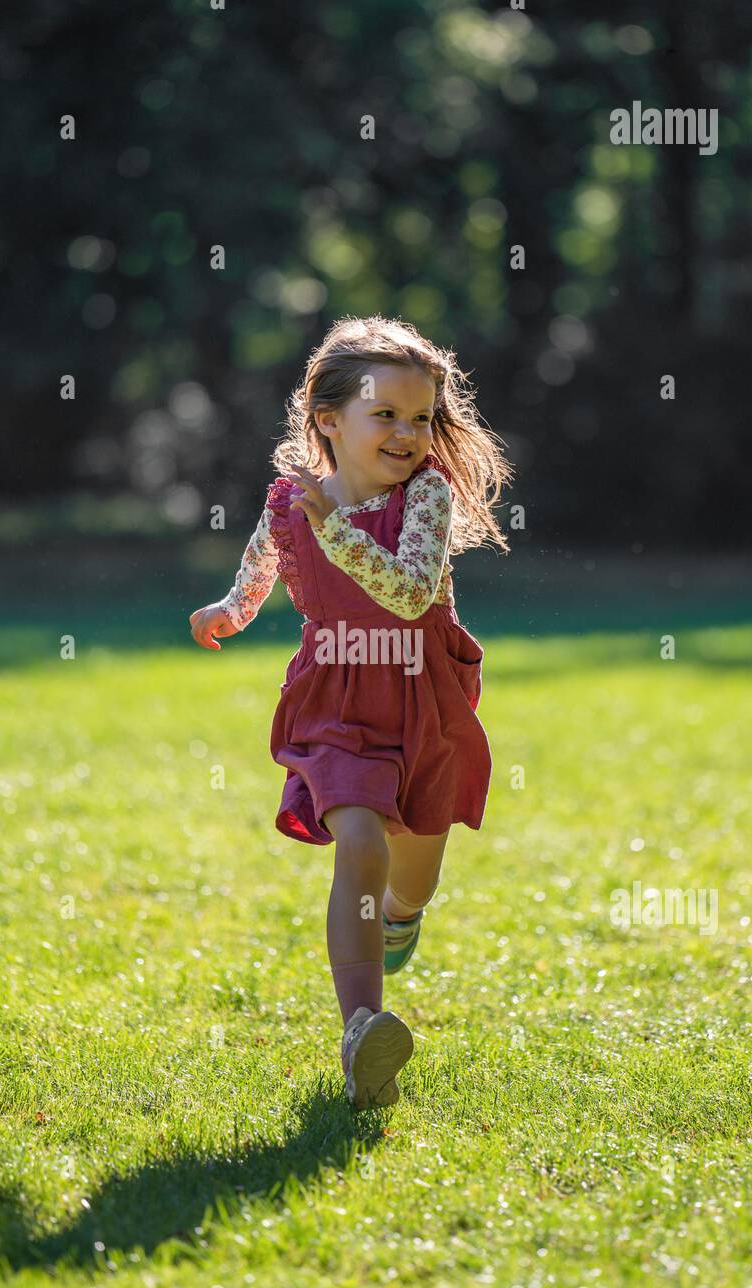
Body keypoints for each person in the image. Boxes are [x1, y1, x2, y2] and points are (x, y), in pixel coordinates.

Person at [190, 315, 513, 1109]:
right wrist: (230, 610)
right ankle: (364, 1032)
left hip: (421, 699)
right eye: (386, 416)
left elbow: (407, 596)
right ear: (329, 421)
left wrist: (335, 530)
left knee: (412, 878)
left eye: (422, 417)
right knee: (359, 841)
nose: (408, 435)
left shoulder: (427, 496)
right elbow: (263, 564)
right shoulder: (291, 500)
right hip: (335, 700)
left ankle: (400, 919)